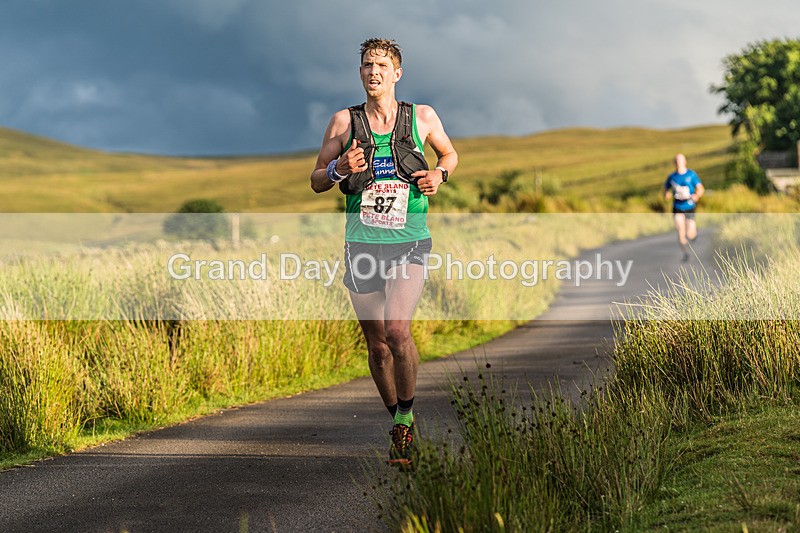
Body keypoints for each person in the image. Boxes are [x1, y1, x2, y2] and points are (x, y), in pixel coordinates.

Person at [309, 38, 458, 467]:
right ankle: (399, 421)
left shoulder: (422, 117)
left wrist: (439, 174)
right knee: (376, 347)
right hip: (361, 244)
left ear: (397, 72)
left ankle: (406, 419)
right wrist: (339, 169)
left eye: (382, 65)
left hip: (409, 239)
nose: (373, 71)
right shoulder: (343, 122)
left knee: (396, 331)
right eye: (366, 65)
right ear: (360, 72)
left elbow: (448, 153)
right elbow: (317, 179)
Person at [663, 153, 704, 262]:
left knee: (689, 234)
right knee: (680, 229)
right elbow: (665, 189)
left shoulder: (691, 175)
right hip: (677, 206)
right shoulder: (671, 177)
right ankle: (685, 253)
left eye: (680, 160)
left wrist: (697, 195)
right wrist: (666, 194)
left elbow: (700, 188)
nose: (678, 163)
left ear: (685, 162)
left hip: (689, 205)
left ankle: (693, 235)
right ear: (674, 163)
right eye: (676, 161)